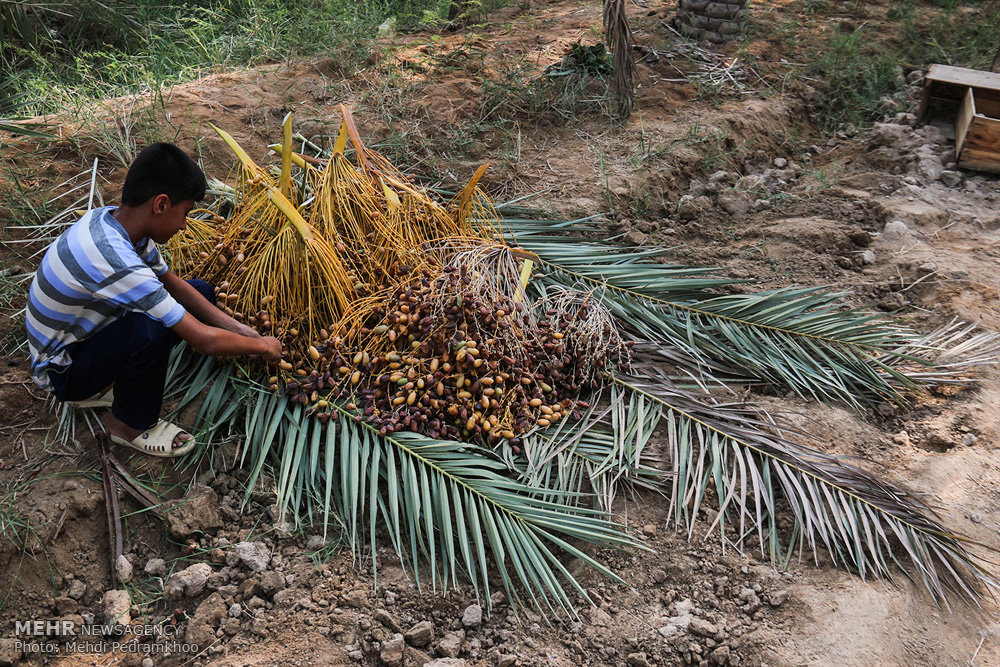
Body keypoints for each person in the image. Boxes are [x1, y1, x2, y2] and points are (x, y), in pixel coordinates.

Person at [26, 143, 282, 457]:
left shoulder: (118, 224)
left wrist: (243, 331)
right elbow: (203, 341)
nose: (185, 225)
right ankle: (127, 426)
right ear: (161, 204)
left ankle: (107, 384)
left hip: (82, 340)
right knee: (151, 332)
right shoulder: (114, 259)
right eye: (185, 213)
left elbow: (173, 284)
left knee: (198, 291)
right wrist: (264, 347)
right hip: (61, 372)